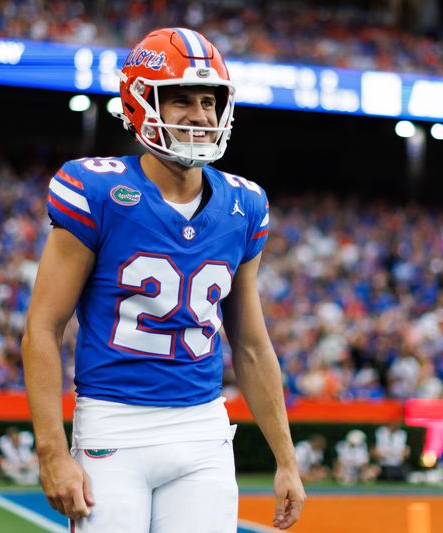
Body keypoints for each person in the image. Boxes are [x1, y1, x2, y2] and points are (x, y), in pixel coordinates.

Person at [21, 27, 305, 532]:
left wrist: (286, 459)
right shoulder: (96, 189)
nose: (200, 115)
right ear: (139, 103)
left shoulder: (244, 204)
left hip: (202, 427)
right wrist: (52, 452)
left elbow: (251, 344)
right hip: (113, 423)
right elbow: (43, 327)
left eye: (208, 101)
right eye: (180, 100)